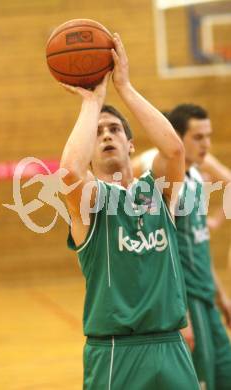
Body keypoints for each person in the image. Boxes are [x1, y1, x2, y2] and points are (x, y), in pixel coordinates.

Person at [59, 34, 199, 389]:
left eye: (115, 129)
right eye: (99, 132)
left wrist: (124, 86)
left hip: (170, 345)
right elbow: (70, 173)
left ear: (130, 144)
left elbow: (174, 150)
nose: (107, 135)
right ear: (90, 150)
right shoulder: (89, 204)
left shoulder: (159, 193)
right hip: (114, 352)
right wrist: (94, 101)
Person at [132, 104, 231, 390]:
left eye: (208, 136)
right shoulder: (164, 186)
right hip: (187, 298)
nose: (207, 145)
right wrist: (181, 312)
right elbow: (160, 254)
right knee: (202, 381)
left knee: (225, 374)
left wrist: (221, 295)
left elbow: (201, 245)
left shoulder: (197, 177)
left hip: (208, 298)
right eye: (198, 138)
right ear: (176, 137)